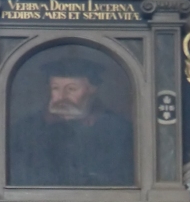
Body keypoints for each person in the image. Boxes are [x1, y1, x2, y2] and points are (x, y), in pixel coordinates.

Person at [9, 57, 134, 186]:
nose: (61, 97)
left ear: (91, 90)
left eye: (71, 89)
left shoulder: (118, 130)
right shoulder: (25, 129)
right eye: (55, 88)